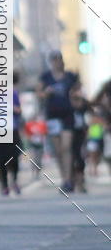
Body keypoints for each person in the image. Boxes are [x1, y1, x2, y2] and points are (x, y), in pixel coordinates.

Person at [37, 50, 80, 192]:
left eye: (59, 59)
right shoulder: (46, 77)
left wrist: (75, 97)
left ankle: (68, 179)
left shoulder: (70, 76)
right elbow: (39, 93)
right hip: (52, 116)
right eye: (54, 59)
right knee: (58, 150)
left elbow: (78, 90)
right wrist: (46, 93)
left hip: (68, 114)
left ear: (62, 60)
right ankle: (64, 178)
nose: (57, 62)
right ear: (51, 62)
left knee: (67, 146)